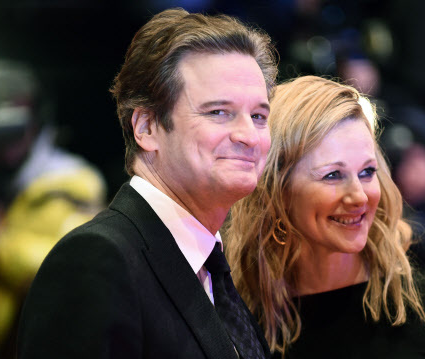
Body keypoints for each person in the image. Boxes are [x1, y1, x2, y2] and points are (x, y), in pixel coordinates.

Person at [17, 8, 277, 359]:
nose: (249, 135)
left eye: (259, 116)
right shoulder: (95, 261)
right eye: (219, 112)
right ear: (147, 128)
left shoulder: (215, 266)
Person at [225, 76, 425, 358]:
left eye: (367, 172)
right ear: (276, 190)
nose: (359, 196)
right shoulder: (240, 325)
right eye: (333, 175)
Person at [0, 60, 106, 358]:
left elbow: (68, 268)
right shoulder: (4, 183)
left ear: (37, 121)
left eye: (15, 126)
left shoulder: (73, 181)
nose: (6, 145)